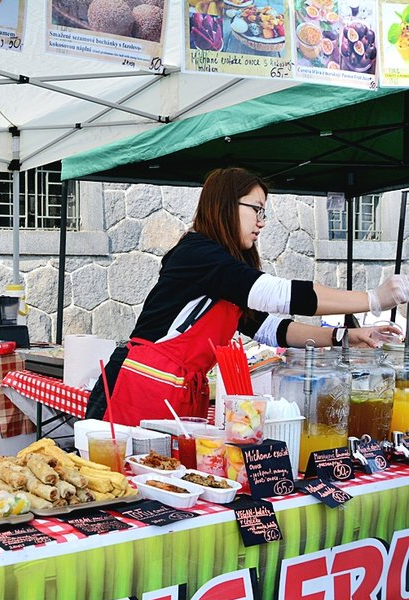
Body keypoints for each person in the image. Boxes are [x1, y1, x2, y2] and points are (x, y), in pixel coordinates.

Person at [86, 167, 409, 426]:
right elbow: (280, 295)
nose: (261, 222)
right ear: (226, 205)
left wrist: (344, 336)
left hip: (178, 393)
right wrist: (373, 299)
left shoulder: (225, 269)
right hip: (138, 385)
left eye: (263, 212)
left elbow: (271, 328)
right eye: (256, 209)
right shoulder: (197, 254)